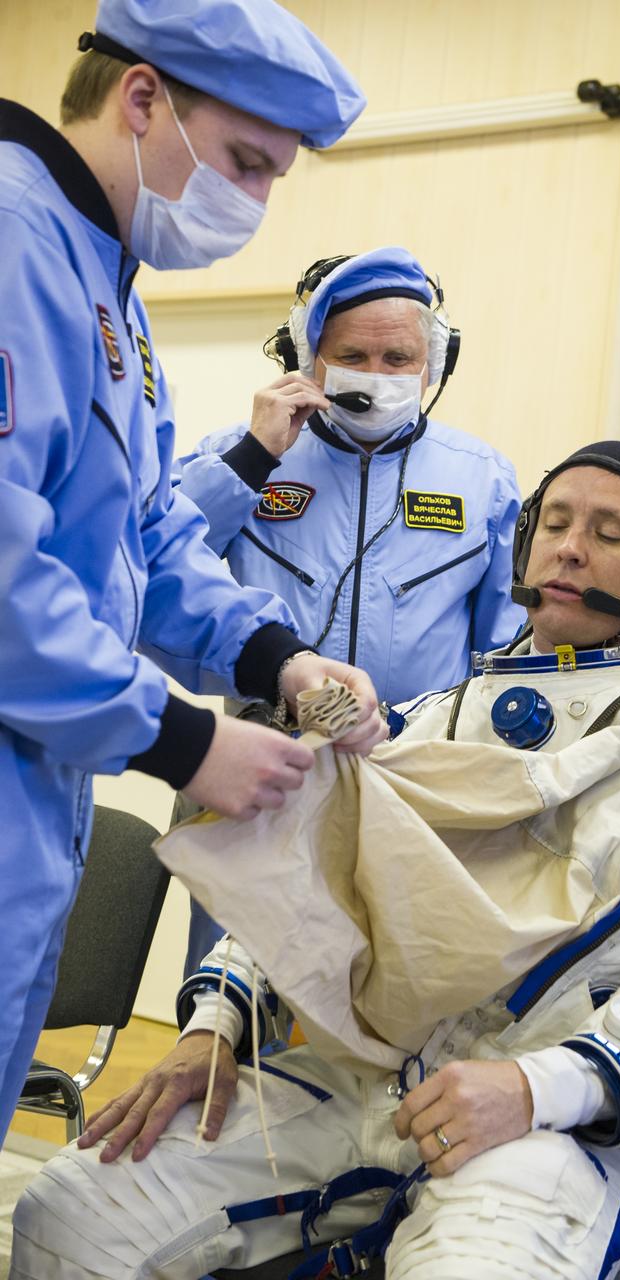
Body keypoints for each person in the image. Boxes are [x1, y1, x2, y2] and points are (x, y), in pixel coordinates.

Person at [11, 442, 620, 1280]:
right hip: (369, 1082)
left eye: (608, 533)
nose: (569, 548)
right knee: (73, 1210)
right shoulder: (424, 724)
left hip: (566, 1117)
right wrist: (213, 1028)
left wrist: (539, 1087)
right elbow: (298, 897)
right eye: (553, 523)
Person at [0, 0, 386, 1144]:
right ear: (141, 100)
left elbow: (151, 538)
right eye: (246, 163)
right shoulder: (12, 241)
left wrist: (280, 655)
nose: (254, 206)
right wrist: (184, 740)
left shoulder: (103, 280)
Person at [173, 245, 525, 973]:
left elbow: (505, 645)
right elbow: (150, 563)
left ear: (434, 364)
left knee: (387, 991)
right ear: (306, 359)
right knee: (229, 1002)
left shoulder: (483, 479)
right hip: (262, 763)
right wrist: (255, 455)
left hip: (408, 773)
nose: (378, 374)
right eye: (352, 354)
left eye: (398, 357)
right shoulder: (237, 457)